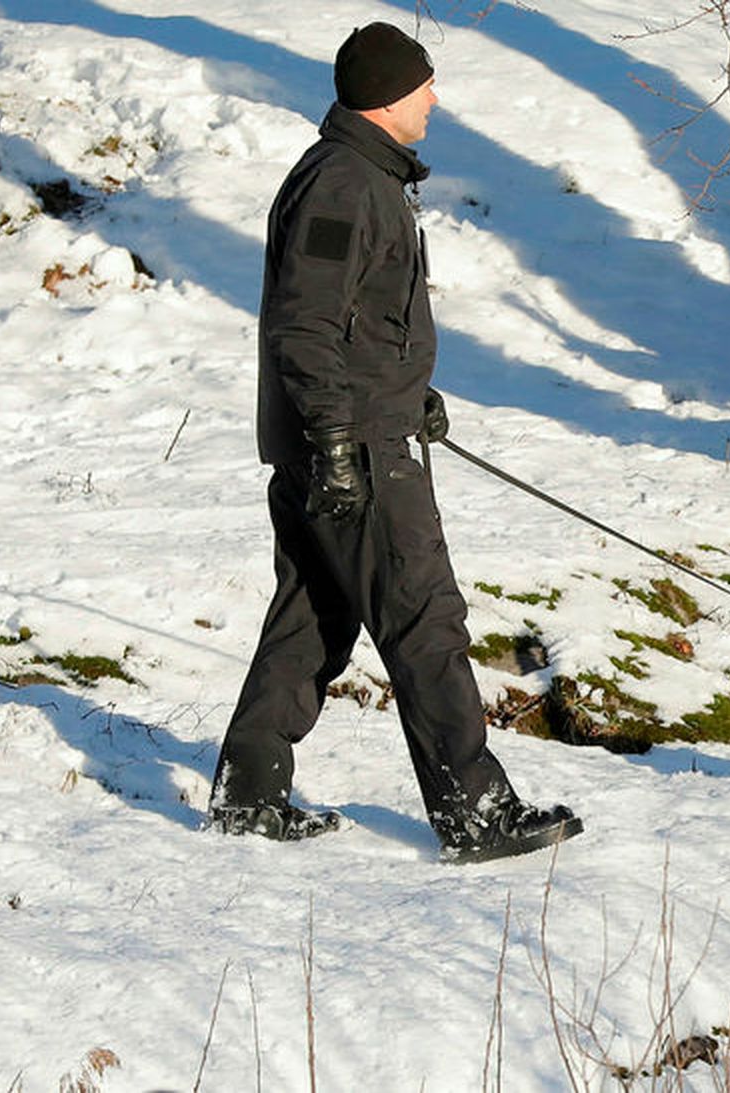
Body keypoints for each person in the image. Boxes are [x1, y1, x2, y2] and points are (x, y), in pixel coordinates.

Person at [208, 22, 581, 863]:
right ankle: (475, 812)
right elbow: (304, 325)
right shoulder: (343, 185)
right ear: (387, 95)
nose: (435, 99)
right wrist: (342, 436)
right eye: (424, 86)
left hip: (360, 432)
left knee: (313, 618)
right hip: (356, 453)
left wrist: (411, 393)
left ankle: (249, 791)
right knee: (425, 620)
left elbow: (356, 323)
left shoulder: (359, 176)